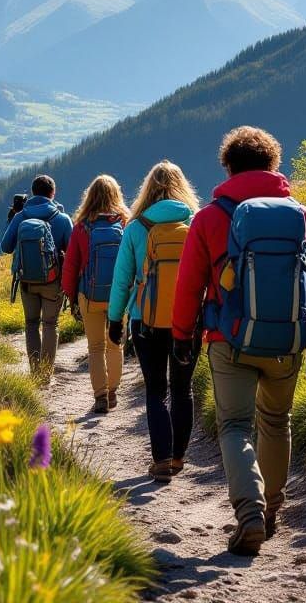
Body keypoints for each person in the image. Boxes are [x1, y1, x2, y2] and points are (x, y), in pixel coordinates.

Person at [171, 126, 306, 556]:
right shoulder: (302, 217)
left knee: (234, 426)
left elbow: (189, 285)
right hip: (287, 340)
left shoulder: (208, 218)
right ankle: (270, 513)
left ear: (228, 166)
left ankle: (248, 512)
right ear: (273, 165)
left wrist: (181, 336)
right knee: (276, 422)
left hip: (229, 340)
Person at [107, 161, 200, 483]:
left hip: (145, 320)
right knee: (183, 389)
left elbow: (121, 280)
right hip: (189, 321)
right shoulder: (196, 222)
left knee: (156, 390)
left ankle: (160, 460)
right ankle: (177, 457)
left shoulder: (135, 228)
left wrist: (114, 319)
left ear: (147, 189)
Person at [62, 175, 129, 414]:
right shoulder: (124, 223)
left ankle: (100, 396)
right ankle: (112, 392)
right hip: (119, 297)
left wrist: (71, 298)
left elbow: (70, 266)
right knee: (115, 344)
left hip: (89, 296)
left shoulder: (82, 227)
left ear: (89, 196)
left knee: (95, 347)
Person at [1, 175, 73, 382]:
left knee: (31, 324)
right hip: (53, 281)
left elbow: (5, 247)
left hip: (27, 281)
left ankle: (35, 374)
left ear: (33, 193)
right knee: (50, 324)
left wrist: (12, 218)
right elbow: (72, 252)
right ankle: (46, 375)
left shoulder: (20, 217)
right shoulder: (62, 219)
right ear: (53, 193)